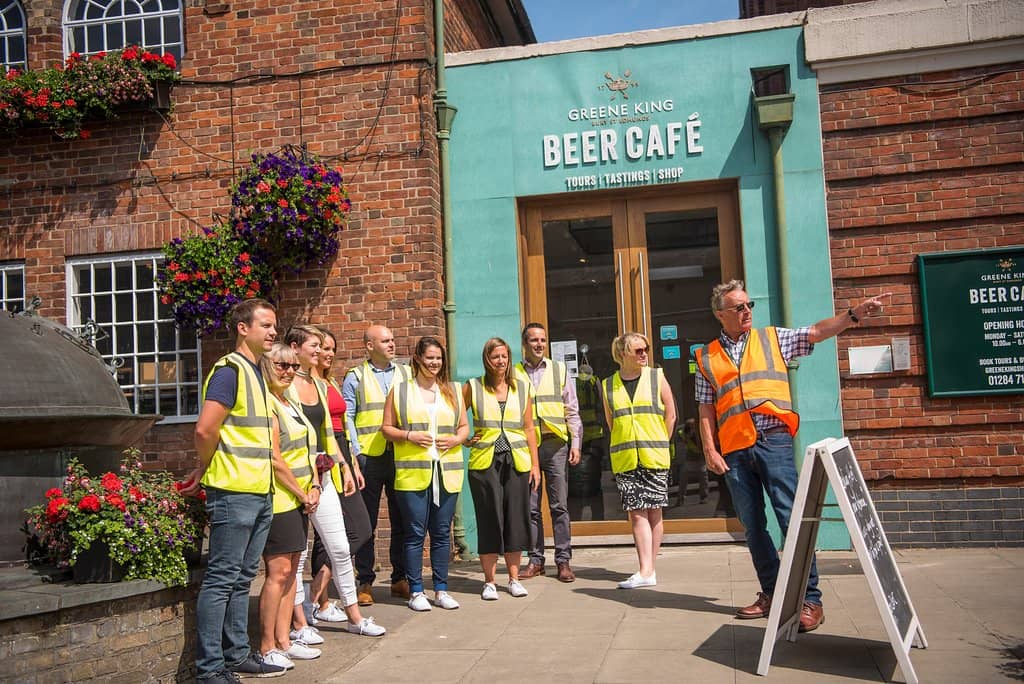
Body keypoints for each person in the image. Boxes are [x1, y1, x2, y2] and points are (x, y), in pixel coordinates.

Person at [695, 279, 889, 633]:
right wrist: (710, 447)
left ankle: (810, 600)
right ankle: (772, 593)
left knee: (791, 520)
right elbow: (705, 407)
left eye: (749, 305)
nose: (747, 312)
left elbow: (815, 331)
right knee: (753, 527)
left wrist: (853, 315)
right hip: (735, 449)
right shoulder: (706, 356)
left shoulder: (772, 338)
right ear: (720, 315)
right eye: (739, 307)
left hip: (774, 442)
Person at [186, 298, 288, 681]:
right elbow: (204, 428)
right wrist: (204, 465)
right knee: (221, 580)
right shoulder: (229, 371)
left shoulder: (258, 373)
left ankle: (235, 656)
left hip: (259, 492)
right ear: (243, 328)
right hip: (232, 491)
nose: (273, 332)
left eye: (274, 325)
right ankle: (210, 670)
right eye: (265, 325)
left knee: (243, 578)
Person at [285, 325, 386, 638]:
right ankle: (300, 622)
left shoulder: (317, 382)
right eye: (315, 346)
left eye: (322, 346)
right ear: (295, 347)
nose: (320, 351)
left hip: (324, 473)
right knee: (297, 554)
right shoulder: (283, 385)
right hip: (296, 477)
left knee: (341, 547)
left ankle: (355, 618)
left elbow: (329, 433)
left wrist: (344, 464)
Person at [381, 336, 469, 611]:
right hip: (413, 474)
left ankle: (441, 589)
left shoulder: (453, 390)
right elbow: (386, 428)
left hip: (447, 472)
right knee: (415, 533)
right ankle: (416, 590)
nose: (435, 363)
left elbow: (465, 427)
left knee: (442, 533)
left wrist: (456, 440)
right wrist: (408, 435)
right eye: (430, 357)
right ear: (418, 358)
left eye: (439, 358)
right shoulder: (400, 391)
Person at [257, 343, 323, 670]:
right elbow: (274, 457)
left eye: (292, 366)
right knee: (278, 572)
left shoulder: (290, 400)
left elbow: (308, 450)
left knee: (293, 570)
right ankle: (267, 645)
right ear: (267, 366)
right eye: (281, 365)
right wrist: (301, 492)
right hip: (280, 498)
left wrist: (314, 485)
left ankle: (285, 639)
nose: (288, 371)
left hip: (301, 497)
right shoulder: (267, 403)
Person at [462, 338, 541, 601]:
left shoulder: (521, 387)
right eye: (495, 356)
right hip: (485, 462)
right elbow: (455, 418)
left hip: (517, 460)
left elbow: (529, 427)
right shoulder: (472, 387)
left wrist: (535, 465)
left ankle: (514, 578)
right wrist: (464, 437)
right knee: (489, 519)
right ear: (487, 359)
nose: (501, 361)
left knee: (516, 520)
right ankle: (489, 582)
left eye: (504, 356)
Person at [303, 328, 372, 624]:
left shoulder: (330, 381)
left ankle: (316, 596)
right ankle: (320, 602)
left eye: (331, 349)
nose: (328, 354)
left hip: (341, 450)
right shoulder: (304, 384)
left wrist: (352, 463)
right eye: (323, 348)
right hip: (322, 453)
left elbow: (344, 424)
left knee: (358, 530)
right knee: (334, 535)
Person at [344, 324, 413, 605]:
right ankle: (365, 582)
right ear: (369, 346)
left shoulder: (407, 373)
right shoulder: (355, 377)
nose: (392, 344)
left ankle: (399, 578)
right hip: (369, 458)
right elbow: (347, 416)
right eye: (385, 340)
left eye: (393, 339)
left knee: (402, 519)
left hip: (401, 455)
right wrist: (356, 452)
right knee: (366, 522)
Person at [602, 332, 676, 589]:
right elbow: (612, 422)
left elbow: (671, 414)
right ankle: (646, 569)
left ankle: (648, 569)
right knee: (637, 513)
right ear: (623, 354)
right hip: (625, 458)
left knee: (654, 512)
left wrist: (660, 441)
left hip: (654, 454)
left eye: (646, 349)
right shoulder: (608, 384)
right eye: (638, 350)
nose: (644, 354)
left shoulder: (657, 377)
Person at [514, 323, 582, 583]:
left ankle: (563, 561)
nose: (539, 344)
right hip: (526, 447)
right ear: (525, 344)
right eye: (534, 340)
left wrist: (576, 443)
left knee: (559, 506)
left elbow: (571, 408)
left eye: (543, 339)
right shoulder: (514, 372)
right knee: (531, 507)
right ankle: (535, 560)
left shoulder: (559, 369)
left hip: (556, 445)